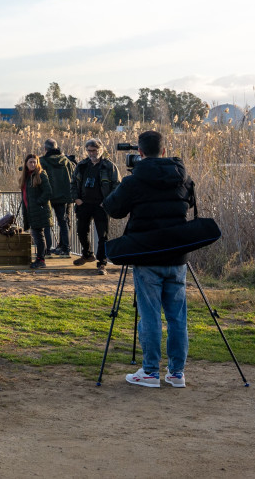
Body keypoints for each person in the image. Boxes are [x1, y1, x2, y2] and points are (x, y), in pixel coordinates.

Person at [103, 130, 193, 388]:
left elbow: (113, 209)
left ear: (139, 153)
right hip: (178, 256)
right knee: (177, 317)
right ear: (164, 151)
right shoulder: (182, 177)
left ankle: (151, 372)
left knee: (150, 315)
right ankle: (176, 373)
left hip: (147, 255)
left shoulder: (135, 180)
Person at [73, 138, 119, 273]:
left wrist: (107, 201)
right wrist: (76, 198)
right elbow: (73, 184)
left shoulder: (109, 166)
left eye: (94, 150)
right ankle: (87, 254)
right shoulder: (81, 165)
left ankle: (102, 262)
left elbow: (117, 185)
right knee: (81, 231)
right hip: (84, 204)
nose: (91, 153)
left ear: (101, 150)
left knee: (102, 235)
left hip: (101, 205)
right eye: (89, 150)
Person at [39, 138, 76, 257]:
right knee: (64, 222)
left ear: (45, 149)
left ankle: (53, 249)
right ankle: (64, 247)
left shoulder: (43, 161)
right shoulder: (66, 161)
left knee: (49, 223)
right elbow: (74, 174)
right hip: (66, 196)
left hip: (51, 196)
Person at [19, 154, 54, 269]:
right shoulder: (26, 176)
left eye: (35, 162)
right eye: (30, 162)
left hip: (39, 210)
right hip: (30, 210)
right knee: (37, 235)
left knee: (39, 236)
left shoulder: (41, 175)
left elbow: (48, 192)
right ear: (26, 164)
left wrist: (39, 203)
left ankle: (41, 260)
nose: (33, 164)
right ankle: (39, 258)